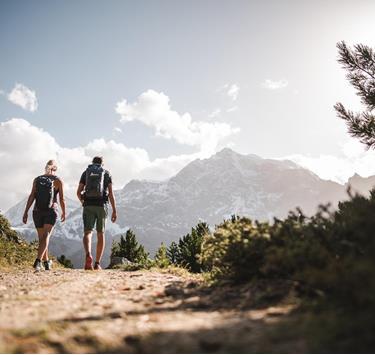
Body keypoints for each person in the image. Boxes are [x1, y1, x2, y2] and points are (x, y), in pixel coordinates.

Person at [23, 160, 66, 271]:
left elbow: (32, 195)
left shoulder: (37, 180)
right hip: (51, 211)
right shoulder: (57, 180)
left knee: (42, 238)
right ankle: (38, 261)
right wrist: (64, 212)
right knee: (46, 236)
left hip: (37, 211)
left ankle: (46, 263)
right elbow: (61, 198)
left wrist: (26, 211)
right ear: (55, 169)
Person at [77, 156, 117, 270]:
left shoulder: (86, 173)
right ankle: (97, 263)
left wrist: (83, 202)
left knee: (87, 232)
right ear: (102, 164)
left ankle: (88, 254)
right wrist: (114, 210)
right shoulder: (106, 173)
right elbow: (111, 194)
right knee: (100, 234)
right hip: (101, 205)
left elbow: (78, 192)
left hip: (88, 205)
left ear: (92, 162)